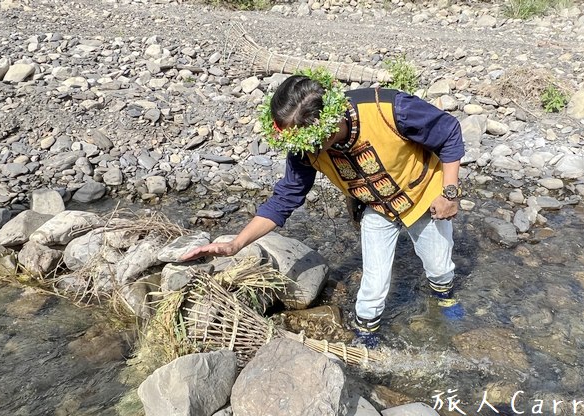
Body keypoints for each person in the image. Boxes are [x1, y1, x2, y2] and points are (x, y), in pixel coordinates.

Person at [182, 69, 465, 341]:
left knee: (439, 268)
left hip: (425, 197)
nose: (313, 152)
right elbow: (285, 198)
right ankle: (367, 339)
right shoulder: (304, 146)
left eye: (318, 142)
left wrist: (449, 194)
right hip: (377, 208)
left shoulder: (389, 109)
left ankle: (445, 299)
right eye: (306, 146)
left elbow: (449, 132)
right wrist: (235, 245)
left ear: (331, 118)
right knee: (373, 288)